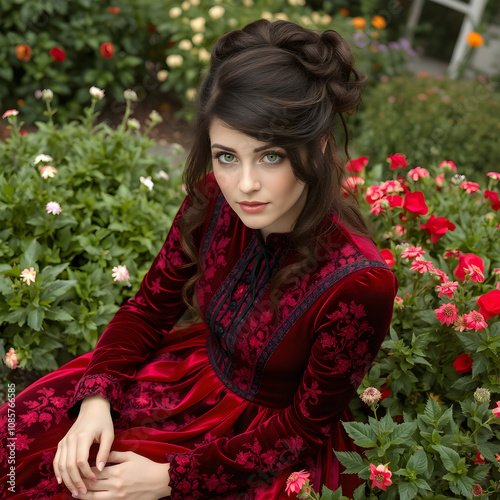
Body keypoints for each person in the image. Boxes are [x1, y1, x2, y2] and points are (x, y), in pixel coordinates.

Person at [0, 18, 397, 500]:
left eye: (270, 156)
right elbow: (148, 310)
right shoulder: (213, 199)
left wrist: (170, 479)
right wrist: (96, 400)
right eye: (227, 156)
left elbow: (303, 429)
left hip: (261, 449)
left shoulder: (359, 283)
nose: (244, 184)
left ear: (319, 145)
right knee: (25, 449)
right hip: (184, 381)